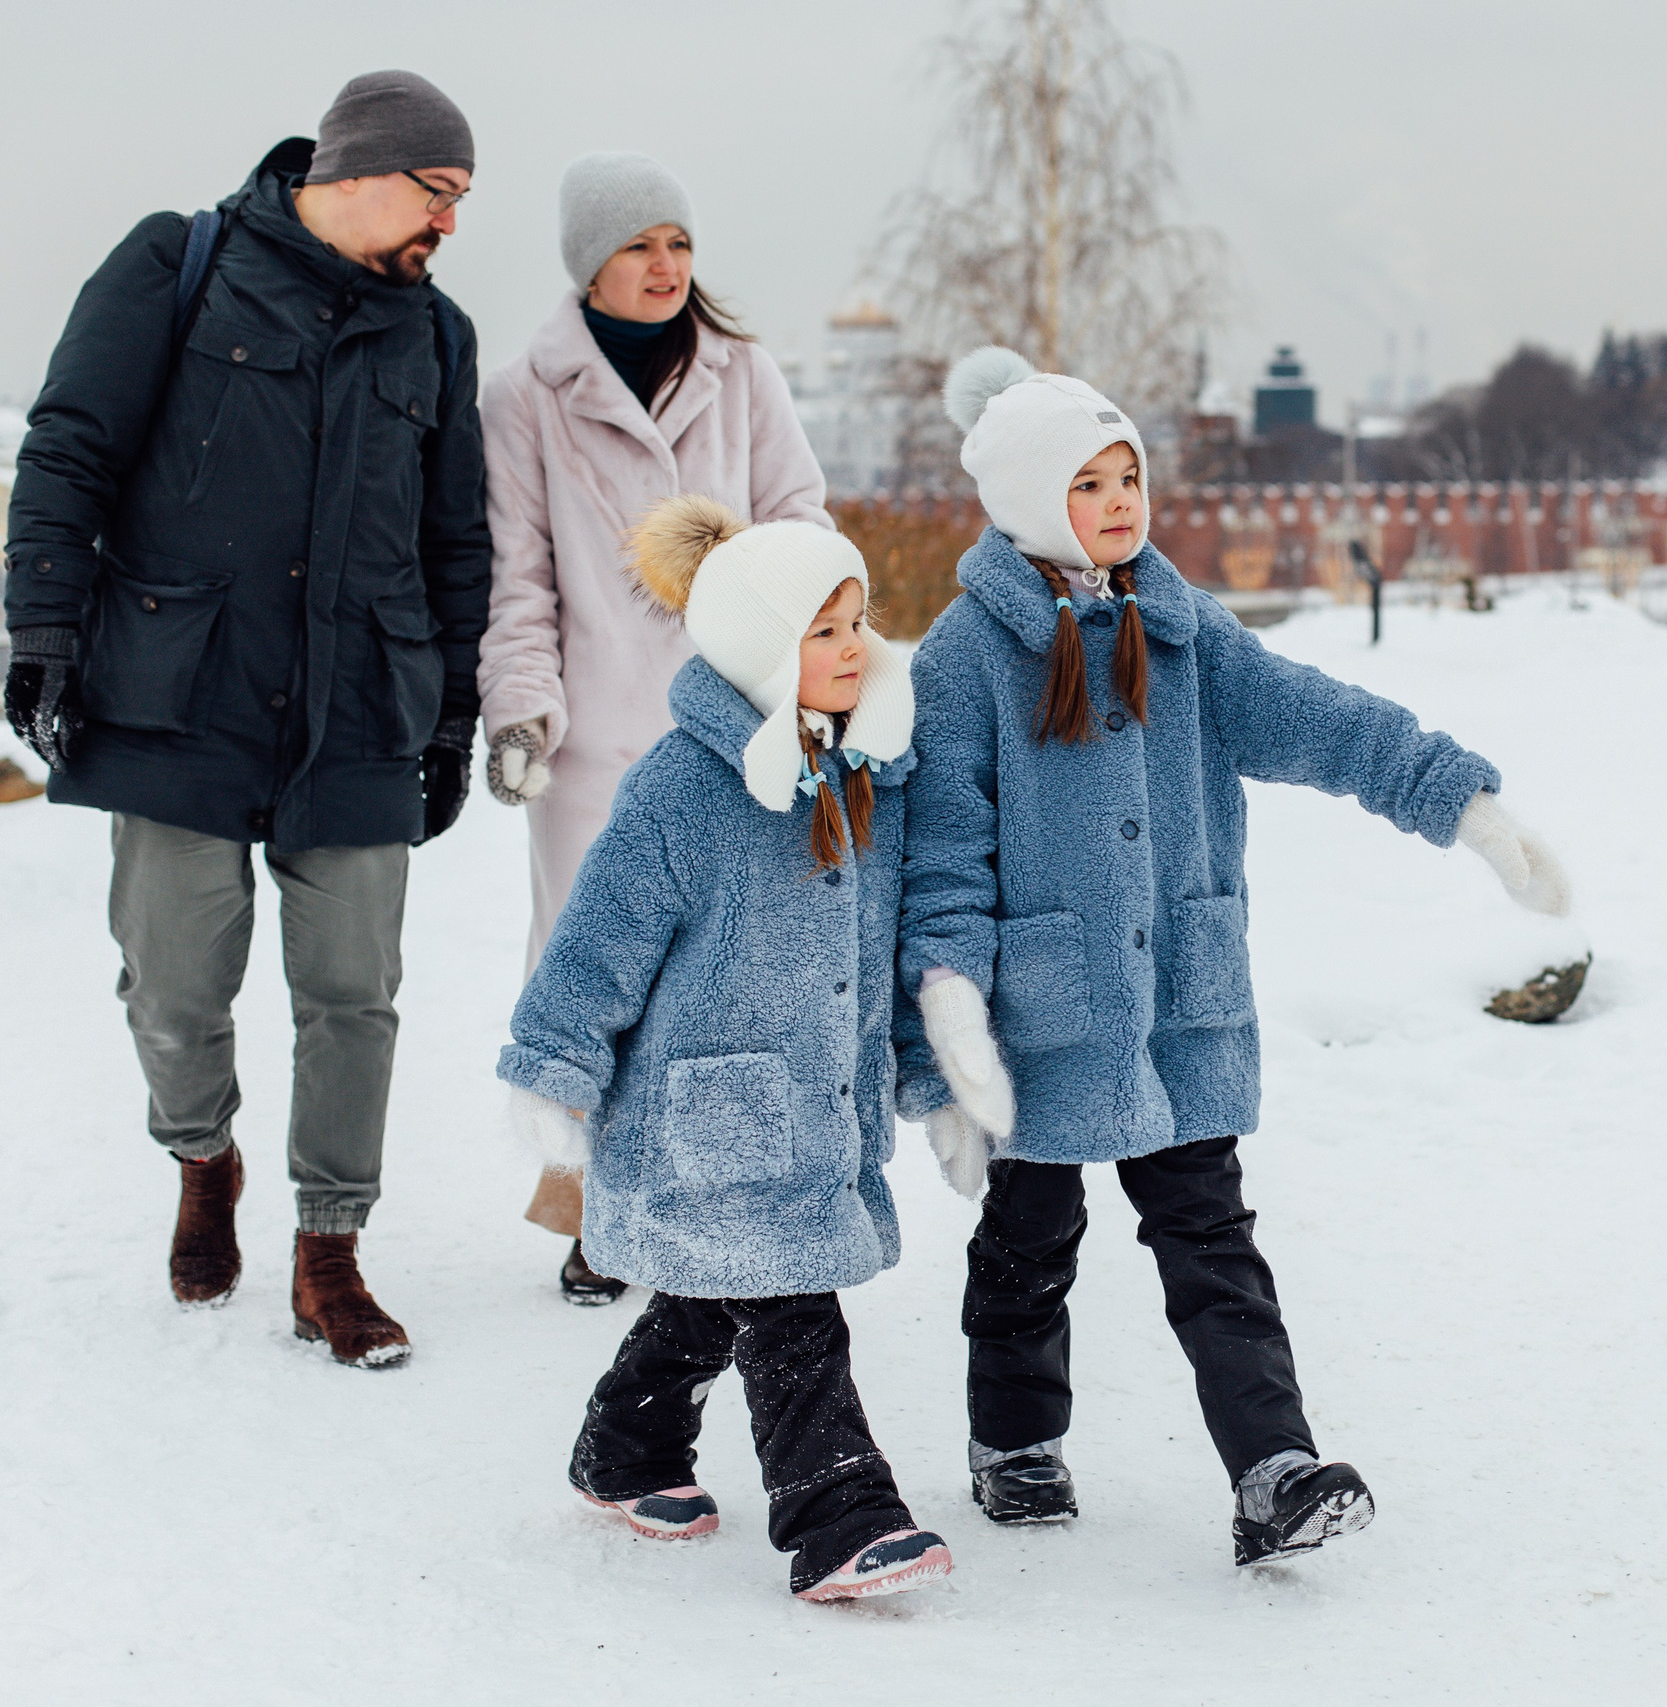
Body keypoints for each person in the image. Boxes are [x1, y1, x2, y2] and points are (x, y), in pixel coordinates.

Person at [900, 347, 1573, 1567]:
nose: (1117, 502)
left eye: (1128, 477)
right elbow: (941, 860)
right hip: (1041, 1018)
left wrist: (1459, 801)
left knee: (1212, 1240)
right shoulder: (961, 661)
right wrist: (948, 1027)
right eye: (1087, 482)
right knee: (1027, 1243)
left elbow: (1322, 720)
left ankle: (1275, 1470)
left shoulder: (1183, 627)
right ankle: (1014, 1443)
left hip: (1177, 1004)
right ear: (1021, 499)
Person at [1, 71, 490, 1369]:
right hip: (178, 688)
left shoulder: (435, 337)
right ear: (359, 168)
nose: (450, 223)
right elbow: (67, 449)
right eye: (438, 193)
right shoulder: (180, 262)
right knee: (171, 980)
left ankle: (330, 1249)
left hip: (363, 705)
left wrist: (453, 717)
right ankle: (201, 1153)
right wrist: (45, 629)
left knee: (353, 993)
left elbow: (456, 543)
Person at [499, 496, 949, 1603]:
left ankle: (625, 1451)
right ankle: (841, 1517)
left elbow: (884, 953)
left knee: (709, 1300)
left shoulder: (868, 777)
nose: (857, 649)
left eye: (860, 623)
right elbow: (596, 940)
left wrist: (927, 1072)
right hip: (702, 1117)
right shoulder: (680, 789)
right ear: (759, 650)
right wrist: (553, 1066)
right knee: (792, 1311)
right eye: (825, 630)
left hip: (813, 1112)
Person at [478, 152, 831, 1303]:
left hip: (736, 727)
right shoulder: (523, 397)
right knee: (594, 975)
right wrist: (523, 711)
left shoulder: (741, 374)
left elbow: (802, 525)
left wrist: (804, 670)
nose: (666, 266)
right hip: (598, 741)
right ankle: (588, 1205)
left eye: (678, 243)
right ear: (590, 262)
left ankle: (708, 1202)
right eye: (639, 245)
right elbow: (519, 578)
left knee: (723, 974)